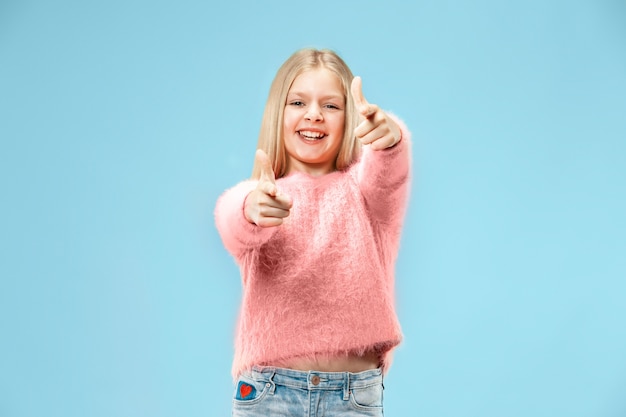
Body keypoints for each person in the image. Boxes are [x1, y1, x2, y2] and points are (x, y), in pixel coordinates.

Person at [214, 48, 412, 417]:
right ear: (278, 112)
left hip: (353, 396)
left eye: (331, 106)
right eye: (298, 101)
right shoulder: (263, 198)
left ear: (350, 118)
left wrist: (389, 139)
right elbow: (231, 219)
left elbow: (389, 174)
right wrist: (251, 208)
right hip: (270, 394)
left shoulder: (367, 196)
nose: (314, 114)